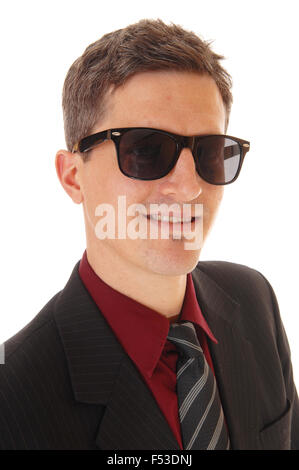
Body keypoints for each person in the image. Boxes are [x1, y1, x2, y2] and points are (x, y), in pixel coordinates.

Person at [0, 18, 298, 451]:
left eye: (209, 153)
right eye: (145, 149)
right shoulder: (13, 400)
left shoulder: (254, 300)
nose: (189, 186)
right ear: (72, 177)